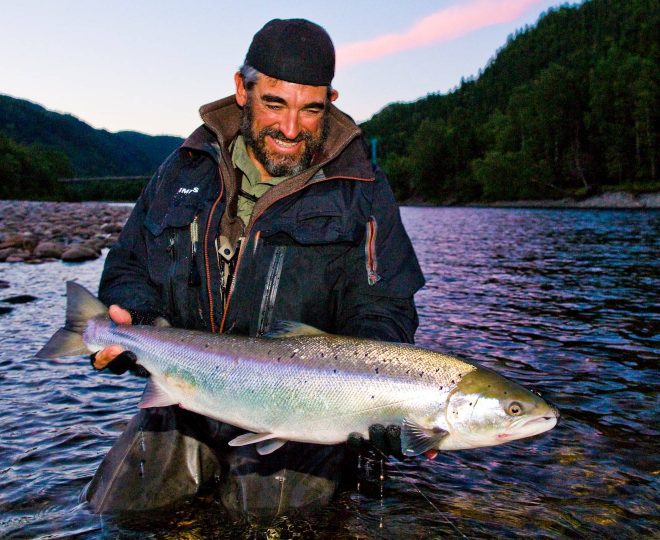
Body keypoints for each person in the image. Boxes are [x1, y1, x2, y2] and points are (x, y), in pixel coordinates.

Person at [86, 18, 425, 517]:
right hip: (187, 396)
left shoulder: (363, 190)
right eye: (274, 104)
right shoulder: (183, 168)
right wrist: (133, 319)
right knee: (115, 518)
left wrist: (381, 402)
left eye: (310, 109)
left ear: (330, 100)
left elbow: (384, 308)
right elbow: (128, 265)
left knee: (276, 528)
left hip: (304, 415)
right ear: (242, 90)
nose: (290, 129)